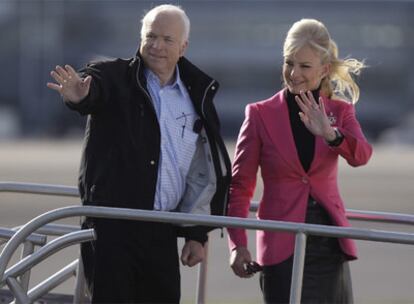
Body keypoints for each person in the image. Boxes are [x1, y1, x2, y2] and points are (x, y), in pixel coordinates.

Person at [47, 4, 231, 303]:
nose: (157, 46)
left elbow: (200, 168)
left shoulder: (197, 95)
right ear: (141, 38)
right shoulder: (114, 77)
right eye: (151, 37)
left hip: (160, 231)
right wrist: (80, 96)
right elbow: (92, 88)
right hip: (111, 229)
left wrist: (197, 233)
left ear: (183, 47)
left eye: (167, 39)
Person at [227, 18, 373, 303]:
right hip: (281, 245)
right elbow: (239, 187)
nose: (293, 74)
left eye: (304, 66)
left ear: (324, 69)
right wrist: (237, 244)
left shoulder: (340, 112)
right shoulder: (259, 114)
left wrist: (331, 135)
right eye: (288, 62)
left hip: (328, 245)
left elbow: (362, 156)